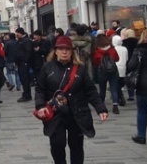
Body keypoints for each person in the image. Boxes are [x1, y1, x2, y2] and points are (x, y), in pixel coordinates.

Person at [35, 35, 108, 163]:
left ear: (72, 52)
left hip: (77, 113)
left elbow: (90, 90)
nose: (64, 52)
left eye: (67, 49)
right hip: (56, 113)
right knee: (57, 144)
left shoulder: (80, 69)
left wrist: (101, 108)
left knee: (76, 146)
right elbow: (40, 89)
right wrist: (40, 106)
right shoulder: (47, 68)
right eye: (61, 49)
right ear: (55, 51)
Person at [93, 34, 121, 114]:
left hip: (102, 72)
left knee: (102, 89)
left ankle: (101, 105)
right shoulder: (112, 49)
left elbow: (95, 61)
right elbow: (117, 59)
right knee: (113, 88)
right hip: (113, 71)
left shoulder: (97, 51)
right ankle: (115, 105)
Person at [15, 27, 34, 102]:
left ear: (21, 33)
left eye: (17, 33)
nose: (16, 34)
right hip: (20, 63)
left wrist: (25, 61)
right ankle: (25, 93)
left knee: (25, 79)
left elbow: (28, 51)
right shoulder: (20, 41)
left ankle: (27, 95)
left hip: (24, 63)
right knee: (22, 79)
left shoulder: (26, 41)